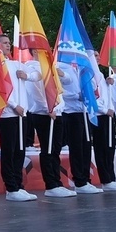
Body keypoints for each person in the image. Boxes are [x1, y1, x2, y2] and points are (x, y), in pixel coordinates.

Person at [21, 50, 76, 197]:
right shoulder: (31, 66)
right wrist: (48, 108)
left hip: (57, 112)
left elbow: (69, 80)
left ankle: (57, 182)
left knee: (55, 149)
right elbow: (34, 90)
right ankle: (51, 185)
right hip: (44, 114)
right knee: (48, 149)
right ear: (34, 52)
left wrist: (60, 72)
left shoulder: (50, 66)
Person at [0, 34, 36, 201]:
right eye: (4, 43)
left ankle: (18, 185)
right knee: (9, 151)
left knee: (20, 150)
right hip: (9, 114)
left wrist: (26, 76)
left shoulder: (17, 63)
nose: (7, 45)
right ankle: (11, 188)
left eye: (8, 43)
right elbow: (0, 90)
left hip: (23, 114)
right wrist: (14, 106)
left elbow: (38, 75)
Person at [59, 61, 102, 194]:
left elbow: (94, 85)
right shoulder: (61, 66)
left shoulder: (81, 67)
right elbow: (60, 91)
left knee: (86, 146)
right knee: (77, 147)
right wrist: (76, 96)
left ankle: (86, 179)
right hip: (71, 112)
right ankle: (79, 181)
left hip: (84, 112)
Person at [91, 51, 116, 191]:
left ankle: (111, 178)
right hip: (99, 115)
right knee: (102, 147)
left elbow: (107, 96)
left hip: (108, 115)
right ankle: (106, 179)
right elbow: (93, 96)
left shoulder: (101, 75)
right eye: (95, 56)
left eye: (98, 55)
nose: (98, 57)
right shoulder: (89, 73)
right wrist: (103, 110)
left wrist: (108, 85)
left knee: (110, 147)